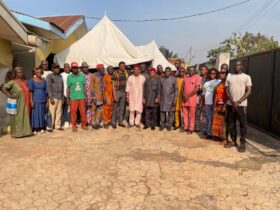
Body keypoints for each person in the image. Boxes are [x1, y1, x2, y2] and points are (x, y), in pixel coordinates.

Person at [225, 60, 252, 153]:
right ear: (233, 66)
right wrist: (232, 101)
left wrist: (238, 101)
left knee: (243, 124)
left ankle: (242, 143)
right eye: (235, 65)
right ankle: (233, 141)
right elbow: (227, 90)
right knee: (231, 123)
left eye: (239, 65)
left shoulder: (246, 77)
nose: (237, 66)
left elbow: (249, 91)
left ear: (242, 66)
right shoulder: (229, 77)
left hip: (242, 105)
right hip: (230, 104)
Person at [1, 67, 32, 138]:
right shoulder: (12, 82)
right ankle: (17, 133)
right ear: (15, 74)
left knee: (25, 117)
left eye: (21, 72)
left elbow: (29, 91)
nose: (20, 73)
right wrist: (9, 95)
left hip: (25, 102)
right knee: (17, 118)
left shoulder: (25, 82)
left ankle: (26, 132)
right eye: (18, 72)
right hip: (17, 103)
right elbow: (2, 88)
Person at [66, 62, 88, 132]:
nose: (75, 69)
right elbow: (68, 88)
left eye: (76, 68)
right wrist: (67, 97)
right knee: (73, 112)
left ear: (78, 68)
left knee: (83, 112)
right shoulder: (69, 77)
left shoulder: (82, 76)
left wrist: (86, 96)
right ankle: (74, 125)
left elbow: (84, 86)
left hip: (81, 97)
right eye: (73, 68)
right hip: (73, 97)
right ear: (71, 69)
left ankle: (84, 124)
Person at [211, 65, 229, 145]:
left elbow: (228, 96)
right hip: (217, 105)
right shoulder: (219, 83)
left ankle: (224, 138)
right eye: (220, 73)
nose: (221, 74)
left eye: (223, 73)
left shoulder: (227, 84)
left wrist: (225, 105)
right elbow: (215, 93)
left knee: (223, 122)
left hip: (224, 105)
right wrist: (214, 105)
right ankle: (217, 136)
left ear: (226, 74)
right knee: (216, 121)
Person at [181, 67, 201, 134]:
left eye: (192, 70)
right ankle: (185, 127)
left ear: (194, 71)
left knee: (192, 115)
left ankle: (191, 128)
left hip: (192, 99)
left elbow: (197, 89)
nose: (190, 72)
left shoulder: (197, 77)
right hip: (185, 99)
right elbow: (182, 87)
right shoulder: (185, 77)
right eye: (189, 70)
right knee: (185, 114)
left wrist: (188, 96)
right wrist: (183, 95)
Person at [28, 67, 48, 134]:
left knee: (42, 114)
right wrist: (31, 101)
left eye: (40, 72)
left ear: (42, 73)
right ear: (35, 73)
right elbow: (30, 92)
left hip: (43, 100)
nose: (39, 73)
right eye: (37, 72)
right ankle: (35, 128)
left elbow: (46, 92)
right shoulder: (31, 81)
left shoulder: (44, 81)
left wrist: (47, 101)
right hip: (35, 100)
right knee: (35, 114)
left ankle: (42, 127)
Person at [203, 68, 221, 139]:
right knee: (209, 118)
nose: (212, 75)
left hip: (216, 103)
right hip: (207, 103)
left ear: (216, 74)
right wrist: (202, 104)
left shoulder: (218, 81)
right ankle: (209, 132)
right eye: (211, 73)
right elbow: (204, 94)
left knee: (214, 118)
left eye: (214, 73)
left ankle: (211, 133)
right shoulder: (206, 83)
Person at [46, 63, 64, 131]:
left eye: (58, 67)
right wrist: (50, 97)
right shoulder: (49, 76)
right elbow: (49, 87)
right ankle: (50, 126)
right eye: (56, 68)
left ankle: (57, 126)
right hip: (53, 97)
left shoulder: (60, 76)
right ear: (52, 69)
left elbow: (62, 87)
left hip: (60, 97)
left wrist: (62, 98)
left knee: (59, 112)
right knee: (52, 112)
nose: (58, 69)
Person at [159, 67, 177, 131]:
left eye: (168, 71)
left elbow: (176, 90)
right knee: (162, 112)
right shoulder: (162, 79)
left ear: (170, 72)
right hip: (163, 99)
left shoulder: (173, 79)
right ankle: (162, 125)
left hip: (171, 99)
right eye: (166, 71)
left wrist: (175, 99)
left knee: (170, 113)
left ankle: (169, 125)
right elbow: (159, 90)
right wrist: (159, 98)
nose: (167, 72)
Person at [111, 61, 128, 129]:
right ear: (119, 66)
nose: (123, 67)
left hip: (124, 92)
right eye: (121, 66)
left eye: (124, 65)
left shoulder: (126, 73)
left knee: (122, 108)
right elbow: (112, 85)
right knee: (115, 108)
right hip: (117, 92)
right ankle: (113, 122)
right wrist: (114, 95)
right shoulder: (115, 73)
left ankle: (120, 122)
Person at [90, 64, 105, 129]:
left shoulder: (102, 76)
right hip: (95, 96)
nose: (103, 69)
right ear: (98, 69)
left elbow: (103, 87)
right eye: (102, 68)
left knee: (99, 109)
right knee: (93, 109)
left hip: (101, 96)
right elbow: (91, 87)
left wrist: (104, 96)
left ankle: (97, 122)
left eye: (103, 68)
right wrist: (93, 97)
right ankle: (93, 123)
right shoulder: (93, 75)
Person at [195, 65, 208, 132]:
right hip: (198, 96)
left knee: (204, 113)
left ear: (206, 70)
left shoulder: (208, 78)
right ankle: (197, 127)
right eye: (201, 69)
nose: (202, 71)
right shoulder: (198, 78)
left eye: (204, 69)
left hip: (206, 97)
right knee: (197, 112)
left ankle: (204, 129)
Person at [61, 63, 71, 128]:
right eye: (66, 67)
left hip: (72, 94)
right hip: (63, 94)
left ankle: (71, 120)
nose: (67, 68)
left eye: (68, 67)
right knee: (65, 108)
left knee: (72, 108)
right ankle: (66, 121)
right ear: (64, 68)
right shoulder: (61, 75)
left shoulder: (72, 74)